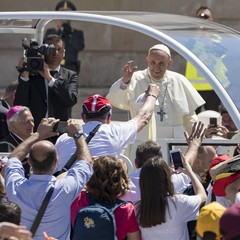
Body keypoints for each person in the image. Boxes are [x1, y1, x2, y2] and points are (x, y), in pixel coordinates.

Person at [106, 43, 205, 160]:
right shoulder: (134, 78)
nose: (156, 68)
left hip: (174, 144)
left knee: (174, 175)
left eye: (161, 63)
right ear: (147, 60)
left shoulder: (179, 80)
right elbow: (114, 99)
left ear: (169, 63)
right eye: (153, 63)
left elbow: (189, 117)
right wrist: (125, 82)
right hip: (143, 144)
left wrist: (197, 142)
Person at [4, 117, 93, 240]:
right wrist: (78, 134)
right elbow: (86, 162)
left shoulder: (15, 187)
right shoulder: (66, 188)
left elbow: (14, 158)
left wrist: (38, 134)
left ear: (29, 161)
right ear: (56, 163)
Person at [55, 84, 160, 173]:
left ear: (83, 117)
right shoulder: (116, 132)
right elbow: (143, 117)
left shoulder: (63, 138)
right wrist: (152, 95)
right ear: (109, 117)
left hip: (71, 193)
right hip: (102, 193)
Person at [14, 34, 78, 132]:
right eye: (51, 50)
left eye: (59, 49)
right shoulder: (31, 74)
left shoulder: (70, 75)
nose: (55, 53)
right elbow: (20, 105)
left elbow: (70, 100)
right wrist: (24, 77)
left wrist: (50, 79)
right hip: (35, 131)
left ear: (64, 53)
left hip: (59, 133)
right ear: (43, 51)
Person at [135, 152, 207, 240]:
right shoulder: (179, 203)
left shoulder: (137, 208)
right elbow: (203, 197)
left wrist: (168, 175)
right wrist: (190, 172)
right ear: (167, 178)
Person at [71, 156, 141, 240]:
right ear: (120, 180)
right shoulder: (126, 210)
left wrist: (87, 166)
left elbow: (63, 178)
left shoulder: (78, 199)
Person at [45, 0, 85, 75]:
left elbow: (80, 47)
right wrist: (57, 31)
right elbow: (46, 47)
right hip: (53, 67)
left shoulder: (77, 33)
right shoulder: (50, 32)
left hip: (70, 68)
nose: (64, 19)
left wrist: (70, 34)